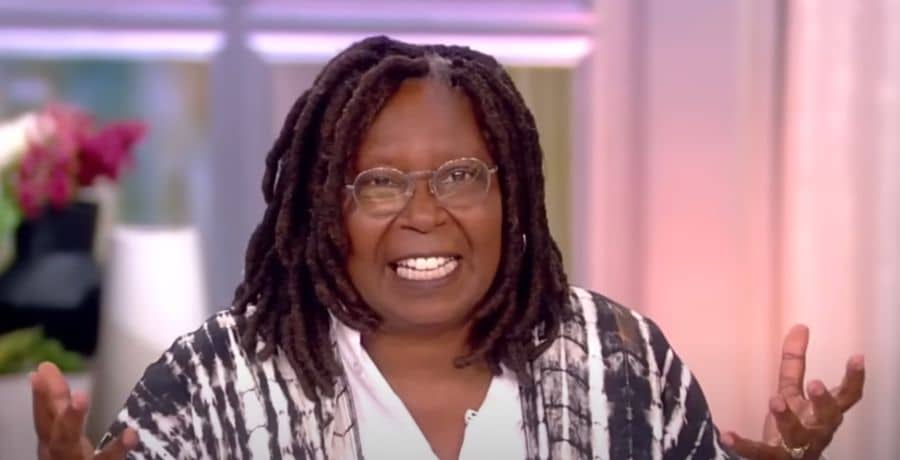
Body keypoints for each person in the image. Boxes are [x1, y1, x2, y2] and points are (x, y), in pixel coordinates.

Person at [30, 36, 864, 460]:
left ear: (512, 193)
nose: (424, 214)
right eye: (379, 183)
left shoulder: (621, 362)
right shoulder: (214, 384)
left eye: (461, 175)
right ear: (323, 209)